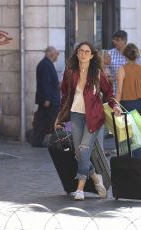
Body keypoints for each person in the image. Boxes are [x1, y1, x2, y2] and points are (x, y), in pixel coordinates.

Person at [55, 41, 121, 200]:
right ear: (77, 53)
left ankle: (80, 189)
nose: (83, 53)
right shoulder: (70, 72)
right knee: (79, 153)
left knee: (84, 149)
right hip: (76, 115)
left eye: (87, 51)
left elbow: (109, 93)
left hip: (95, 117)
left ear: (92, 55)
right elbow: (65, 97)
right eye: (81, 51)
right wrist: (59, 117)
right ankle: (96, 177)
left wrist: (115, 106)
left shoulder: (98, 73)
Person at [32, 46, 61, 147]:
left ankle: (37, 142)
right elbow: (45, 83)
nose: (57, 56)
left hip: (48, 99)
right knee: (54, 121)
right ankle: (55, 142)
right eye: (56, 54)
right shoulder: (46, 65)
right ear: (50, 53)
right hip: (50, 100)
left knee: (42, 121)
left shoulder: (47, 64)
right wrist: (47, 99)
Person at [116, 43, 141, 114]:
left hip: (126, 104)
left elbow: (119, 91)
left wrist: (116, 105)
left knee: (128, 125)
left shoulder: (122, 69)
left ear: (125, 55)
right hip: (140, 102)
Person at [104, 30, 128, 94]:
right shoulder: (109, 53)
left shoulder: (130, 54)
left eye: (117, 40)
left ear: (124, 41)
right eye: (114, 40)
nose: (115, 42)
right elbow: (105, 69)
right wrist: (108, 77)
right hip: (114, 91)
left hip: (129, 92)